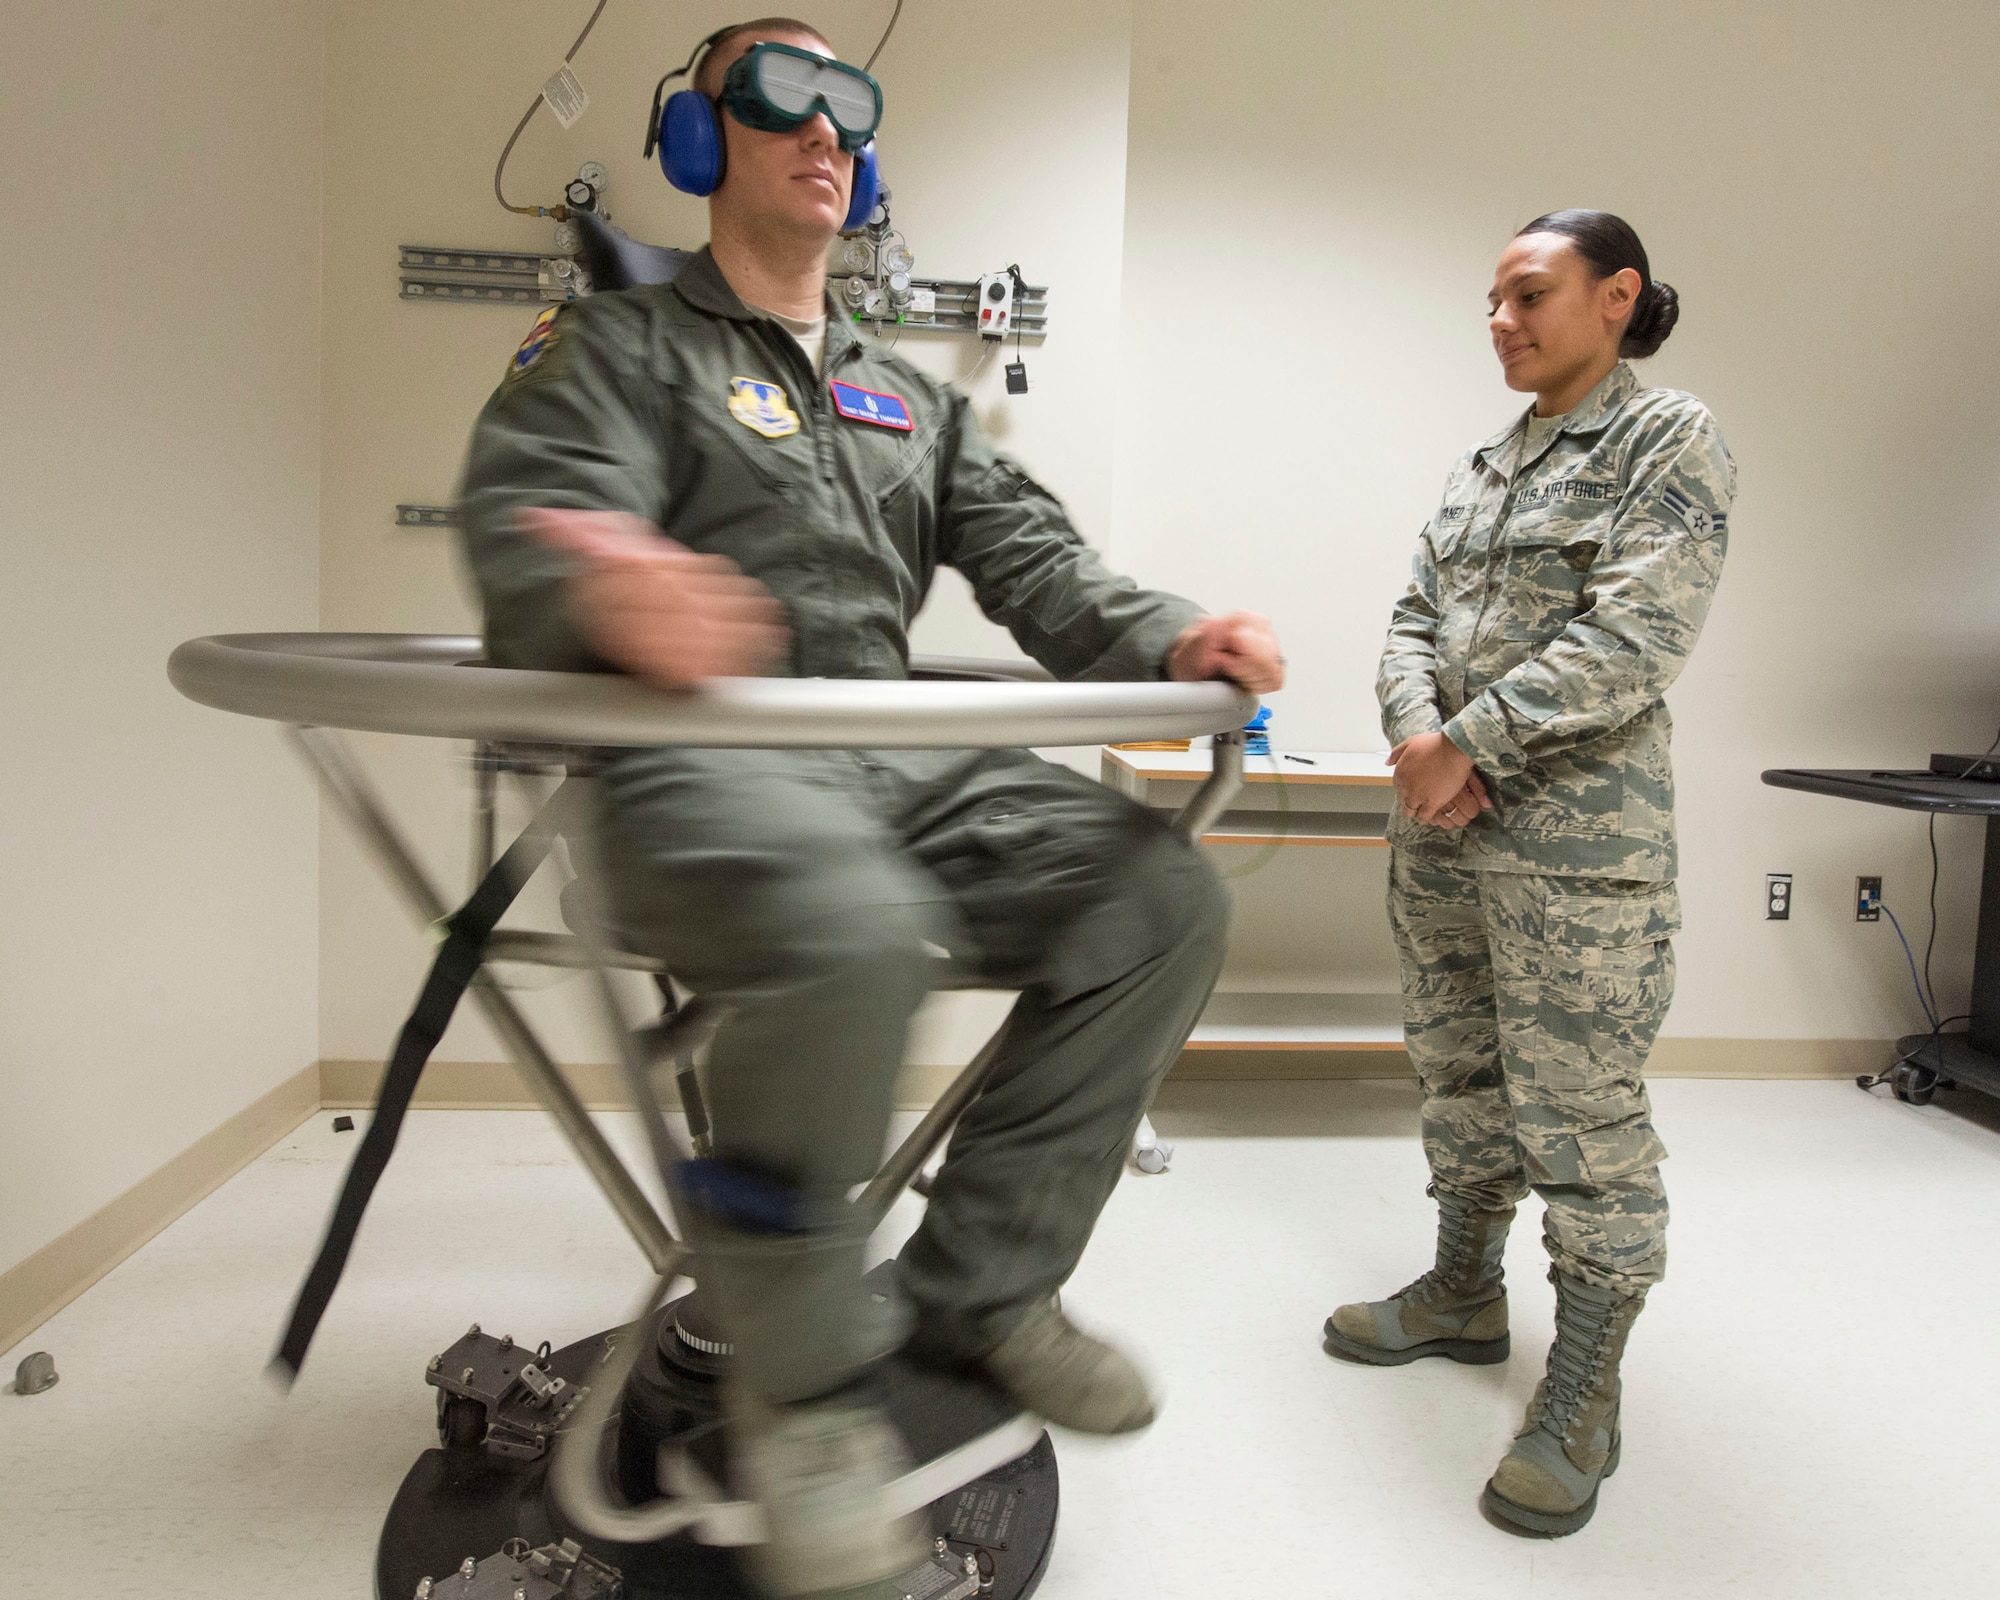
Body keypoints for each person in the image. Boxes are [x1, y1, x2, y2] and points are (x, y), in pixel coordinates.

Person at [456, 17, 1283, 1597]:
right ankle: (809, 1391)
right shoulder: (616, 353)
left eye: (853, 104)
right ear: (699, 142)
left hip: (899, 774)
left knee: (1162, 902)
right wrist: (606, 570)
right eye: (781, 95)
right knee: (853, 927)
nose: (823, 129)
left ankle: (980, 1290)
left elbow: (1040, 563)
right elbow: (520, 515)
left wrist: (1171, 633)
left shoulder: (912, 398)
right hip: (693, 784)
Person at [1324, 210, 1733, 1537]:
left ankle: (1587, 1389)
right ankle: (1461, 1293)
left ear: (1617, 297)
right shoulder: (1485, 467)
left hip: (1577, 847)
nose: (1500, 319)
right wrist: (1412, 736)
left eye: (1528, 292)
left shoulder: (1667, 438)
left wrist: (1469, 738)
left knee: (1579, 1111)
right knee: (1458, 1068)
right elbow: (1407, 618)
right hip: (1444, 832)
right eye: (1490, 299)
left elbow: (1641, 633)